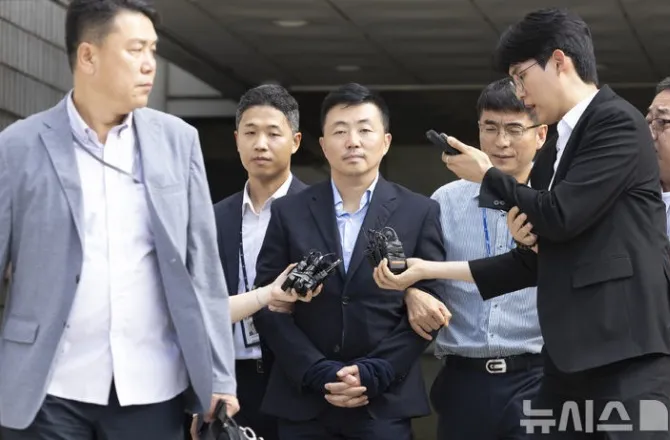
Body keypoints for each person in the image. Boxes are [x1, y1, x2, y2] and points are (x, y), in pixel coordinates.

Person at [382, 8, 670, 440]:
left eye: (521, 77)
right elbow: (532, 259)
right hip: (570, 357)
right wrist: (426, 269)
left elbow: (559, 215)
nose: (521, 93)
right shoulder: (558, 143)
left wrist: (488, 176)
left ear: (559, 62)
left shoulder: (616, 121)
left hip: (629, 348)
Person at [0, 0, 239, 438]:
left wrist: (220, 375)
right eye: (135, 49)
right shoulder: (17, 146)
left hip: (152, 386)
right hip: (47, 390)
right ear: (88, 55)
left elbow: (202, 269)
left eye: (153, 50)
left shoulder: (178, 141)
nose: (149, 64)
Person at [251, 83, 447, 440]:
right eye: (340, 131)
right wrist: (315, 370)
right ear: (324, 145)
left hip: (383, 401)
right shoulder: (288, 211)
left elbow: (431, 304)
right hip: (304, 400)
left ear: (385, 142)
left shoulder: (420, 211)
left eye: (364, 130)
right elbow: (267, 302)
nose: (352, 141)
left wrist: (376, 370)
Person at [384, 77, 547, 440]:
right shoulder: (446, 200)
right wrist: (412, 292)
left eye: (514, 129)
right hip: (463, 379)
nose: (501, 142)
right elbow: (419, 276)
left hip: (539, 376)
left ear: (540, 135)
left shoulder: (555, 200)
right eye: (490, 128)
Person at [212, 84, 310, 440]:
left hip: (297, 378)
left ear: (295, 141)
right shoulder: (213, 217)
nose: (260, 144)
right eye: (250, 133)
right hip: (230, 381)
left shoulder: (319, 211)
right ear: (237, 140)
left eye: (273, 133)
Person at [643, 73, 670, 439]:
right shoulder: (630, 198)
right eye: (647, 121)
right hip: (643, 388)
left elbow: (663, 264)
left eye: (663, 122)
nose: (650, 132)